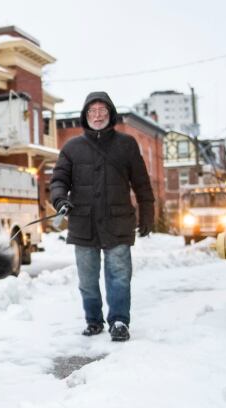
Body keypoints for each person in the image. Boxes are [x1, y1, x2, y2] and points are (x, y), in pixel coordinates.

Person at [50, 91, 154, 342]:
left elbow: (141, 183)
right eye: (92, 112)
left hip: (118, 221)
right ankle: (93, 320)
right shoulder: (72, 147)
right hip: (83, 222)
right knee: (87, 279)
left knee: (119, 275)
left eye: (102, 111)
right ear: (86, 116)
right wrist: (60, 199)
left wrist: (147, 214)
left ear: (110, 114)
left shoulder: (126, 144)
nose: (97, 116)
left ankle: (119, 320)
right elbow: (59, 180)